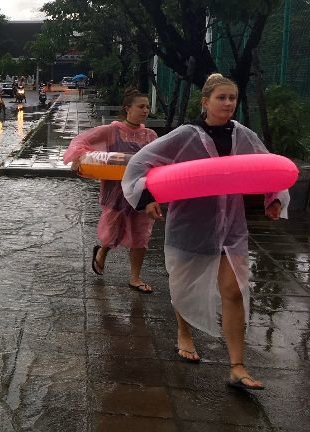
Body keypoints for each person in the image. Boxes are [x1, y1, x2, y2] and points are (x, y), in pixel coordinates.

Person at [122, 73, 290, 391]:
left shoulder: (243, 135)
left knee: (233, 290)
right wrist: (148, 198)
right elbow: (140, 164)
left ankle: (237, 366)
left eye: (233, 99)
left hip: (232, 226)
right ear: (206, 102)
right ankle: (184, 333)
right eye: (221, 98)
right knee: (184, 285)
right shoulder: (186, 136)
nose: (228, 104)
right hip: (191, 223)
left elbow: (266, 166)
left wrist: (274, 199)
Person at [62, 88, 157, 293]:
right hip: (115, 191)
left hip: (141, 191)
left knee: (142, 234)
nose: (145, 110)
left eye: (147, 107)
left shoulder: (150, 136)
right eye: (141, 106)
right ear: (127, 109)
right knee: (112, 230)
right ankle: (102, 251)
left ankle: (135, 278)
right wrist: (79, 157)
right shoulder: (112, 131)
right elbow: (81, 140)